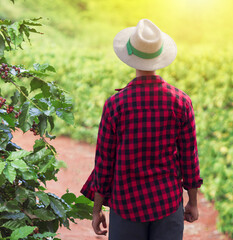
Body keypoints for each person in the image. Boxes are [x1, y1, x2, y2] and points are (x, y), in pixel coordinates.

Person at [81, 19, 203, 240]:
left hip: (125, 205)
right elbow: (189, 157)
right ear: (160, 56)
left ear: (131, 57)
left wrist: (97, 209)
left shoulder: (115, 104)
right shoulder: (181, 102)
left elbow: (104, 162)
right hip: (167, 203)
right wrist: (192, 202)